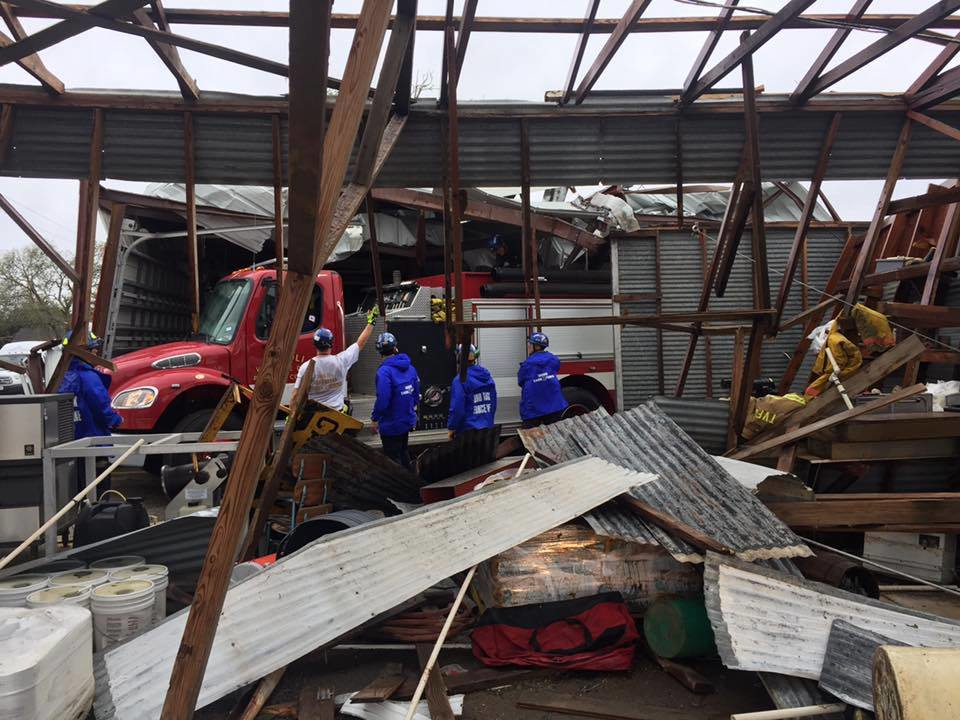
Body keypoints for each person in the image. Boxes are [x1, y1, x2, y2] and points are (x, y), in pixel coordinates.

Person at [294, 306, 378, 411]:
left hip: (313, 415)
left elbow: (295, 395)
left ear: (314, 345)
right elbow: (360, 344)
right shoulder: (341, 361)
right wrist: (371, 322)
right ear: (331, 344)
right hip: (337, 413)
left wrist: (292, 415)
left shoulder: (305, 367)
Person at [58, 329, 123, 440]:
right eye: (94, 350)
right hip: (93, 439)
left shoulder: (63, 377)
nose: (96, 353)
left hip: (72, 438)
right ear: (84, 352)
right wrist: (115, 420)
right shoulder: (88, 377)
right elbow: (100, 404)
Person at [371, 331, 420, 469]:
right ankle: (412, 483)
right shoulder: (410, 368)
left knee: (393, 462)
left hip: (391, 425)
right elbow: (416, 394)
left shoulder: (384, 372)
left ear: (380, 351)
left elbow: (383, 399)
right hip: (406, 421)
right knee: (404, 452)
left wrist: (375, 418)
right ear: (395, 347)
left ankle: (401, 488)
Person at [518, 332, 568, 428]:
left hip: (533, 409)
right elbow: (557, 367)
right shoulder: (553, 359)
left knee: (529, 436)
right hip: (555, 406)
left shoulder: (527, 365)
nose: (528, 346)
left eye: (530, 344)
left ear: (536, 346)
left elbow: (521, 382)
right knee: (556, 434)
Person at [447, 344, 497, 440]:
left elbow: (457, 408)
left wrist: (452, 428)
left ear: (459, 358)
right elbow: (493, 404)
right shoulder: (487, 377)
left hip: (468, 434)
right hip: (487, 431)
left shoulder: (460, 380)